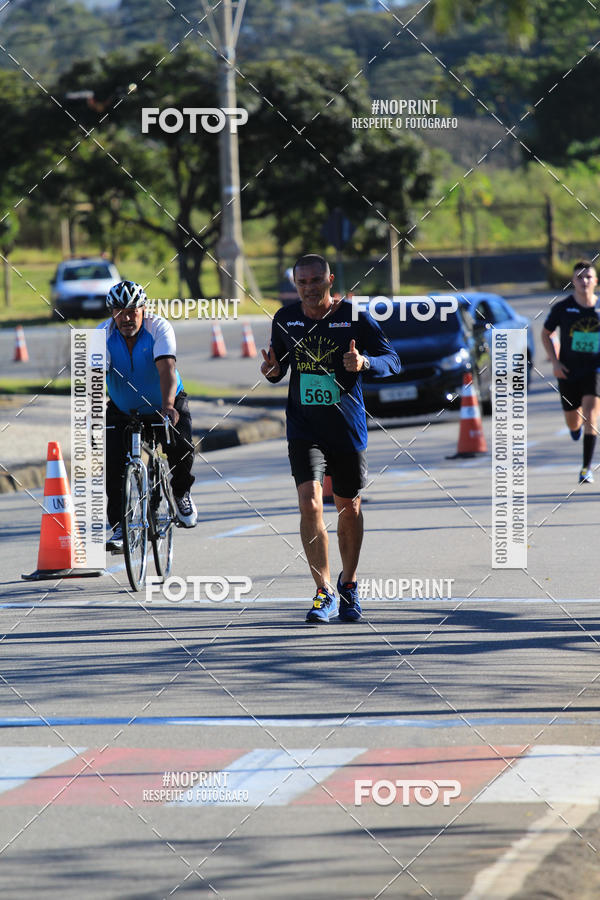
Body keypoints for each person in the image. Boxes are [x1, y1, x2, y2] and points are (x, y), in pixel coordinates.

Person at [261, 253, 401, 623]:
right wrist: (272, 371)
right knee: (310, 504)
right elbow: (279, 368)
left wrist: (365, 363)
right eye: (302, 282)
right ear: (295, 284)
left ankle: (349, 583)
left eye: (316, 281)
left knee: (348, 507)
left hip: (345, 427)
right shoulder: (285, 318)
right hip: (304, 428)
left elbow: (393, 359)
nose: (309, 289)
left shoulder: (353, 316)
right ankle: (324, 592)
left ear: (330, 280)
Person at [98, 281, 197, 553]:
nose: (127, 318)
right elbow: (92, 379)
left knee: (180, 444)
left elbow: (167, 369)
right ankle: (120, 525)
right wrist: (88, 415)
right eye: (120, 311)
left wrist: (168, 406)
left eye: (133, 310)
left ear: (144, 309)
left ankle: (180, 492)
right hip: (123, 408)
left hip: (165, 401)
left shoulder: (160, 328)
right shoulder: (101, 335)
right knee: (114, 463)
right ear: (112, 313)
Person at [542, 260, 600, 483]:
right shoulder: (563, 308)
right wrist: (555, 364)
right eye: (579, 277)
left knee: (591, 414)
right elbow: (545, 334)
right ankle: (574, 430)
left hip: (594, 370)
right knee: (573, 421)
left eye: (588, 277)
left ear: (595, 281)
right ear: (573, 282)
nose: (584, 281)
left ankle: (586, 468)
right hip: (568, 371)